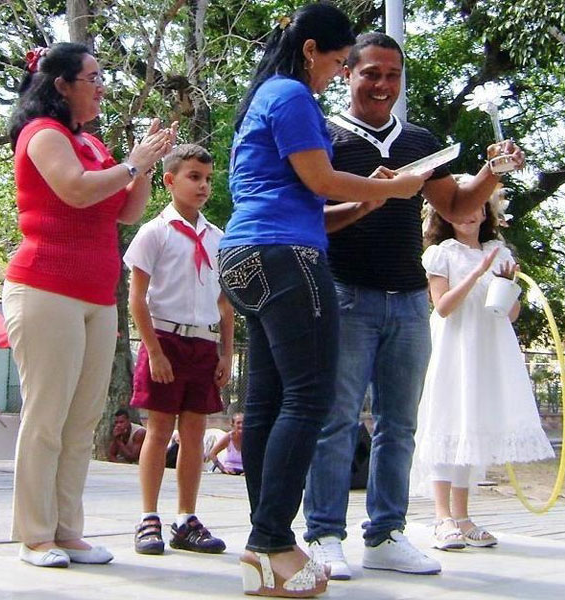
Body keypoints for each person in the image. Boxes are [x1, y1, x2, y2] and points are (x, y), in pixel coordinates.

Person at [218, 5, 429, 597]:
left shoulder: (264, 96)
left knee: (266, 404)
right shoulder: (291, 95)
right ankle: (272, 542)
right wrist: (403, 186)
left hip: (247, 257)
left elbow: (311, 203)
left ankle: (266, 545)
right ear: (312, 50)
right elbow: (320, 180)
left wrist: (369, 201)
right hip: (287, 260)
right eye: (340, 63)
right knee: (310, 398)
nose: (338, 75)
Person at [303, 31, 526, 579]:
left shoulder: (419, 141)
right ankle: (324, 535)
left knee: (399, 424)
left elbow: (454, 204)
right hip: (344, 291)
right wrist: (373, 195)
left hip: (407, 301)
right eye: (370, 73)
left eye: (393, 74)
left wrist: (491, 173)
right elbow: (309, 218)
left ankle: (385, 534)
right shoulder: (323, 136)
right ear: (348, 74)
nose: (382, 84)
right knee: (336, 420)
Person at [2, 42, 173, 569]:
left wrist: (143, 166)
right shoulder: (43, 135)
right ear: (62, 85)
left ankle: (67, 530)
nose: (101, 86)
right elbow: (74, 192)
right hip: (45, 287)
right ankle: (35, 536)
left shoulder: (92, 144)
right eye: (93, 76)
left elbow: (128, 212)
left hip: (98, 296)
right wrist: (133, 162)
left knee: (82, 420)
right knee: (48, 415)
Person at [412, 199, 554, 550]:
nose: (469, 214)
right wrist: (478, 273)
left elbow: (511, 314)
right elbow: (442, 306)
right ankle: (442, 515)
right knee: (448, 418)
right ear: (444, 215)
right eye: (459, 208)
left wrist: (506, 284)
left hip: (487, 345)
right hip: (455, 344)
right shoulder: (442, 253)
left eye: (476, 206)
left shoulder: (498, 250)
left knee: (471, 423)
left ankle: (463, 515)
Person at [124, 143, 234, 557]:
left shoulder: (219, 238)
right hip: (165, 340)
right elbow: (137, 298)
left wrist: (225, 352)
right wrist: (153, 351)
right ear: (170, 181)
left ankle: (186, 517)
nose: (203, 186)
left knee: (194, 433)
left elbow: (225, 303)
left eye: (207, 178)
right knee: (158, 429)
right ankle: (148, 516)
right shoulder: (154, 232)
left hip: (203, 344)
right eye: (194, 177)